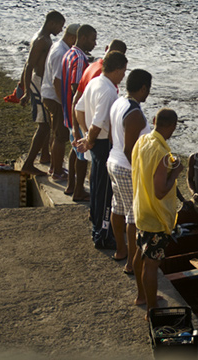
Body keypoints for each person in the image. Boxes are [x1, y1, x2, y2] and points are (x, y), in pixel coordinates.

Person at [131, 108, 183, 320]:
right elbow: (161, 191)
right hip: (156, 216)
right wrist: (176, 172)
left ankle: (142, 296)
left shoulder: (142, 141)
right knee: (151, 263)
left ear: (154, 121)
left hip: (141, 208)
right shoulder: (162, 153)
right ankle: (152, 309)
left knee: (138, 254)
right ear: (172, 126)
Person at [75, 51, 128, 250]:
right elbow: (98, 122)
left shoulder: (94, 82)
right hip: (103, 143)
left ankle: (97, 227)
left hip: (96, 143)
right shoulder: (108, 90)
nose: (123, 75)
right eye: (123, 71)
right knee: (106, 192)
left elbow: (78, 110)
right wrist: (89, 138)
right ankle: (104, 235)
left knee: (96, 187)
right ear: (116, 69)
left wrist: (85, 134)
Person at [105, 69, 152, 273]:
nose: (148, 93)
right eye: (148, 89)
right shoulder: (135, 114)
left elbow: (112, 138)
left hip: (113, 161)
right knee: (133, 218)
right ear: (143, 88)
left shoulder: (118, 103)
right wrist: (142, 173)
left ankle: (120, 250)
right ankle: (132, 263)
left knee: (118, 208)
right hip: (127, 167)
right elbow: (130, 150)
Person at [19, 10, 66, 176]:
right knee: (44, 125)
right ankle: (29, 163)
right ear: (52, 23)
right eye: (60, 25)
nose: (61, 30)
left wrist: (22, 84)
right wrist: (25, 90)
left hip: (39, 82)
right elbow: (29, 65)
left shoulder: (44, 38)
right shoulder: (41, 40)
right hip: (37, 83)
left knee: (47, 121)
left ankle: (45, 156)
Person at [60, 24, 97, 203]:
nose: (94, 43)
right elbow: (77, 90)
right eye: (92, 39)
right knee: (82, 154)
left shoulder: (68, 54)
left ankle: (71, 184)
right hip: (76, 114)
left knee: (75, 150)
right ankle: (79, 190)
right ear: (82, 38)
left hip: (67, 112)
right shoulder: (80, 59)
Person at [41, 23, 79, 186]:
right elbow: (58, 81)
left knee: (56, 133)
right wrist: (65, 105)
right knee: (61, 136)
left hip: (49, 95)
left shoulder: (58, 46)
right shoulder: (61, 52)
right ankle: (57, 172)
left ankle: (55, 167)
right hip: (54, 97)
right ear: (71, 37)